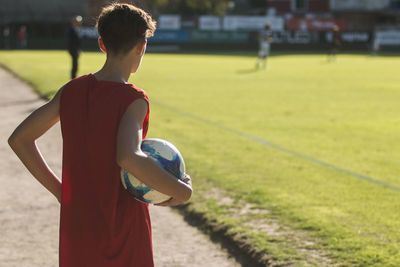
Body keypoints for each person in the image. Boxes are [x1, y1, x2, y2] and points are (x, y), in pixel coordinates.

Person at [8, 3, 192, 267]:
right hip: (122, 226)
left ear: (102, 44)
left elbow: (19, 140)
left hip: (78, 222)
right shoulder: (133, 99)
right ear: (142, 46)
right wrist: (182, 192)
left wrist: (61, 192)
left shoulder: (71, 90)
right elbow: (129, 156)